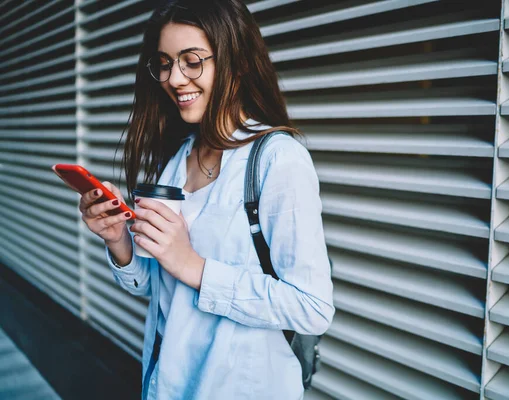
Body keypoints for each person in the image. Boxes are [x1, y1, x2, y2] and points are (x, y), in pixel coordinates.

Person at [77, 1, 334, 399]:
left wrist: (193, 266)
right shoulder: (178, 160)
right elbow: (156, 288)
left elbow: (312, 307)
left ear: (238, 64)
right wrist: (118, 240)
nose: (174, 78)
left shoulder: (278, 159)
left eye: (191, 61)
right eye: (164, 62)